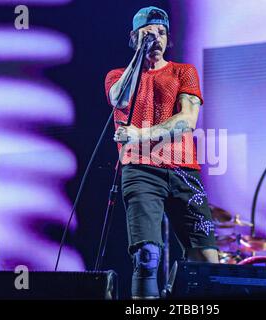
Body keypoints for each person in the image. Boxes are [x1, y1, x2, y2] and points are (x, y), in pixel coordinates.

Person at [104, 6, 219, 299]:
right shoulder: (117, 76)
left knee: (207, 258)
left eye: (162, 32)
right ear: (134, 37)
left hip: (183, 170)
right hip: (139, 169)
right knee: (147, 254)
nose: (157, 36)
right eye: (149, 31)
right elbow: (120, 99)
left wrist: (140, 135)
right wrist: (138, 55)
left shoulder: (184, 72)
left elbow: (187, 121)